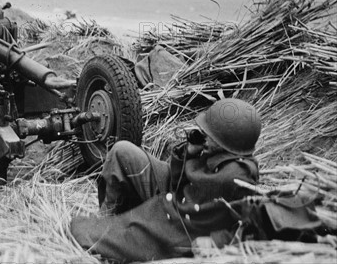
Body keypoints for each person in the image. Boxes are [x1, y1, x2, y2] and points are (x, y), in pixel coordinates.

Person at [70, 98, 262, 263]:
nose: (204, 136)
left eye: (210, 135)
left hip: (179, 224)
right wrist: (188, 153)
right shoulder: (218, 154)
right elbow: (177, 180)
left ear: (225, 142)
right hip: (173, 196)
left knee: (86, 234)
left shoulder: (236, 177)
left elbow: (238, 226)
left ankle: (115, 230)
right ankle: (107, 217)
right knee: (122, 151)